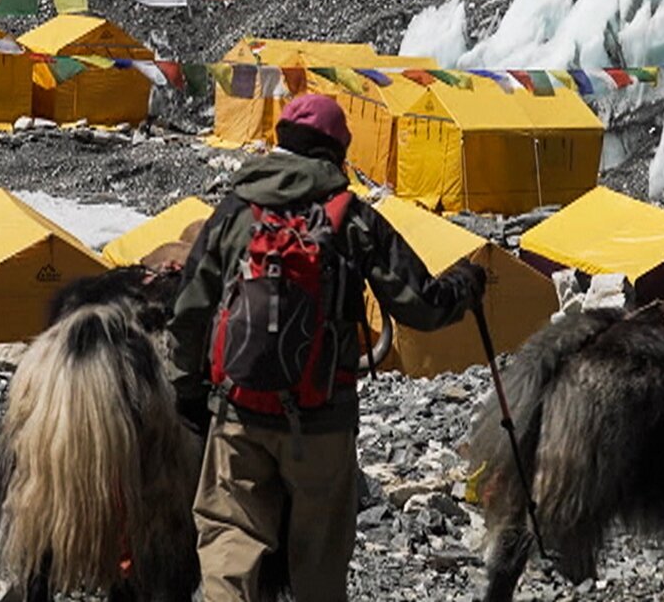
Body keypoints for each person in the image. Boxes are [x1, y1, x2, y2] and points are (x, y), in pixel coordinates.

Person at [169, 94, 485, 602]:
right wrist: (464, 287)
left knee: (230, 540)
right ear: (338, 150)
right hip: (321, 417)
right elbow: (420, 306)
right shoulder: (352, 217)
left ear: (281, 142)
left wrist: (187, 390)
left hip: (238, 411)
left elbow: (189, 307)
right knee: (318, 556)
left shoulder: (237, 210)